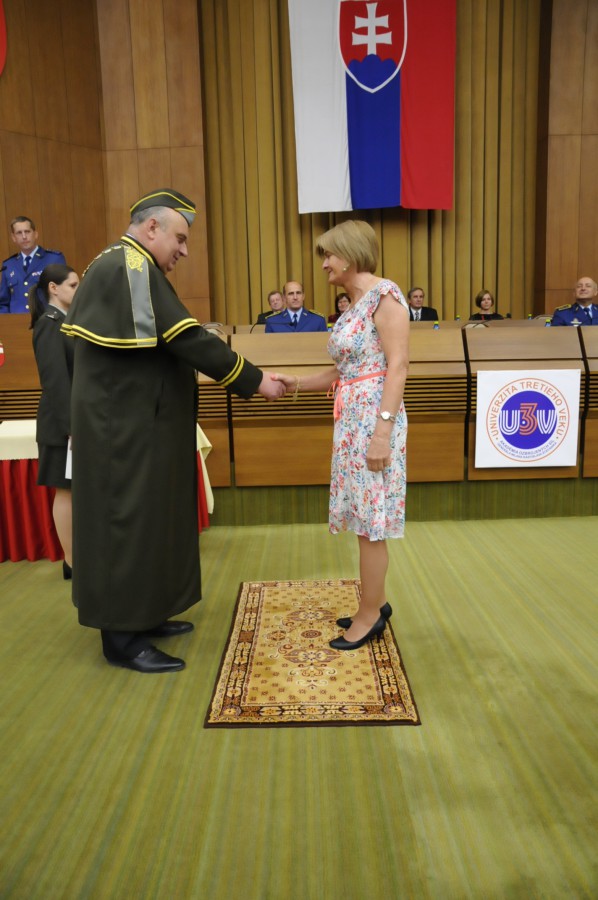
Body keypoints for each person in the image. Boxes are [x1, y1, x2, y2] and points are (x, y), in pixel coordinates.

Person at [61, 188, 286, 674]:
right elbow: (184, 337)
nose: (184, 250)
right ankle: (122, 638)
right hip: (123, 432)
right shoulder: (130, 266)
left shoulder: (128, 264)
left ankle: (143, 616)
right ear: (151, 227)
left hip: (134, 426)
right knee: (125, 524)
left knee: (148, 522)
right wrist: (253, 379)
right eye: (180, 239)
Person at [273, 220, 409, 651]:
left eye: (328, 255)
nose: (324, 264)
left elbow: (398, 365)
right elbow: (343, 371)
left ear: (349, 255)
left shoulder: (385, 296)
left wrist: (382, 433)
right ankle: (376, 601)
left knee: (371, 524)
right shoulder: (354, 306)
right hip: (353, 420)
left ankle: (369, 616)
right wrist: (296, 382)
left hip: (373, 421)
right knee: (362, 516)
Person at [30, 264, 80, 579]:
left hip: (71, 421)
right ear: (53, 288)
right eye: (73, 285)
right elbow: (56, 382)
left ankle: (78, 558)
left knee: (74, 490)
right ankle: (71, 562)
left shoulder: (65, 322)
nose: (78, 290)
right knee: (66, 491)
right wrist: (71, 427)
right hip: (61, 425)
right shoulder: (49, 325)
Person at [0, 217, 66, 313]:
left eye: (27, 231)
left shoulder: (54, 259)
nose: (24, 236)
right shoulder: (8, 265)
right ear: (13, 237)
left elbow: (64, 294)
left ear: (35, 234)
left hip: (46, 320)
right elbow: (3, 303)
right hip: (16, 321)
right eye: (19, 233)